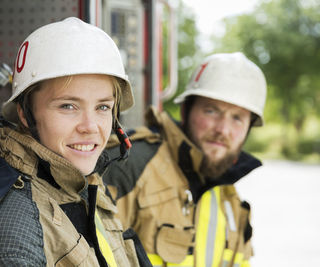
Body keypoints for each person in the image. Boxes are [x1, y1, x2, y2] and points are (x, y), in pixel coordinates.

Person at [0, 17, 151, 266]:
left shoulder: (84, 188)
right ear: (25, 113)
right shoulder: (14, 232)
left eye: (103, 107)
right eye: (68, 106)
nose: (90, 126)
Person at [103, 52, 267, 267]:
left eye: (237, 118)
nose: (223, 129)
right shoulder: (128, 165)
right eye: (211, 111)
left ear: (248, 129)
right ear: (186, 110)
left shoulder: (230, 199)